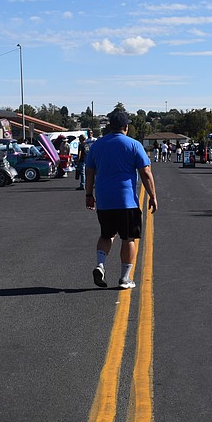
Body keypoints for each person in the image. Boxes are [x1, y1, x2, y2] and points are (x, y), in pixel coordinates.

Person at [85, 108, 157, 289]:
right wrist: (152, 196)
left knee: (106, 234)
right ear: (126, 127)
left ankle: (100, 264)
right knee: (128, 238)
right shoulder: (133, 145)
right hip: (127, 201)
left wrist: (88, 195)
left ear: (110, 126)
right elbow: (146, 173)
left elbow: (89, 172)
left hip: (104, 200)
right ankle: (125, 278)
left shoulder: (97, 146)